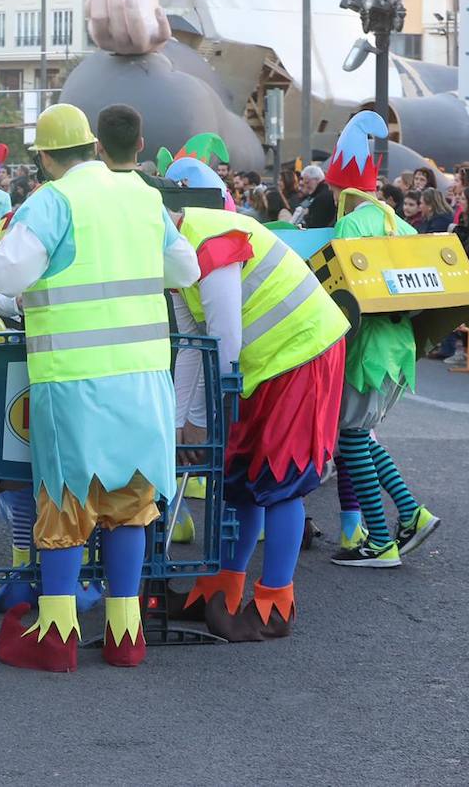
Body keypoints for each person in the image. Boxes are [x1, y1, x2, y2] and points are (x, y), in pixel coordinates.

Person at [0, 103, 201, 671]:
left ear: (43, 157)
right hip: (142, 377)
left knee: (65, 502)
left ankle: (57, 637)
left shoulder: (53, 200)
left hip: (72, 379)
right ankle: (124, 634)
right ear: (92, 147)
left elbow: (2, 274)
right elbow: (184, 271)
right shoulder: (143, 195)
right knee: (131, 500)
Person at [165, 155, 347, 640]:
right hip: (264, 364)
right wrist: (180, 424)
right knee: (241, 475)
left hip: (302, 352)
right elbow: (191, 345)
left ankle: (276, 602)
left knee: (281, 477)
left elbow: (222, 340)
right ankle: (221, 588)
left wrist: (202, 420)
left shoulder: (209, 237)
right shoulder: (175, 252)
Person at [314, 113, 441, 568]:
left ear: (341, 188)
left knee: (350, 439)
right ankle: (411, 514)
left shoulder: (350, 227)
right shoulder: (399, 224)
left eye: (331, 189)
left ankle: (381, 541)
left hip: (365, 349)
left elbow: (340, 296)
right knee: (361, 436)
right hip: (399, 346)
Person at [293, 164, 335, 228]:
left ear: (316, 180)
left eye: (307, 182)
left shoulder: (321, 197)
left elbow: (315, 223)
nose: (306, 186)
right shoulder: (316, 195)